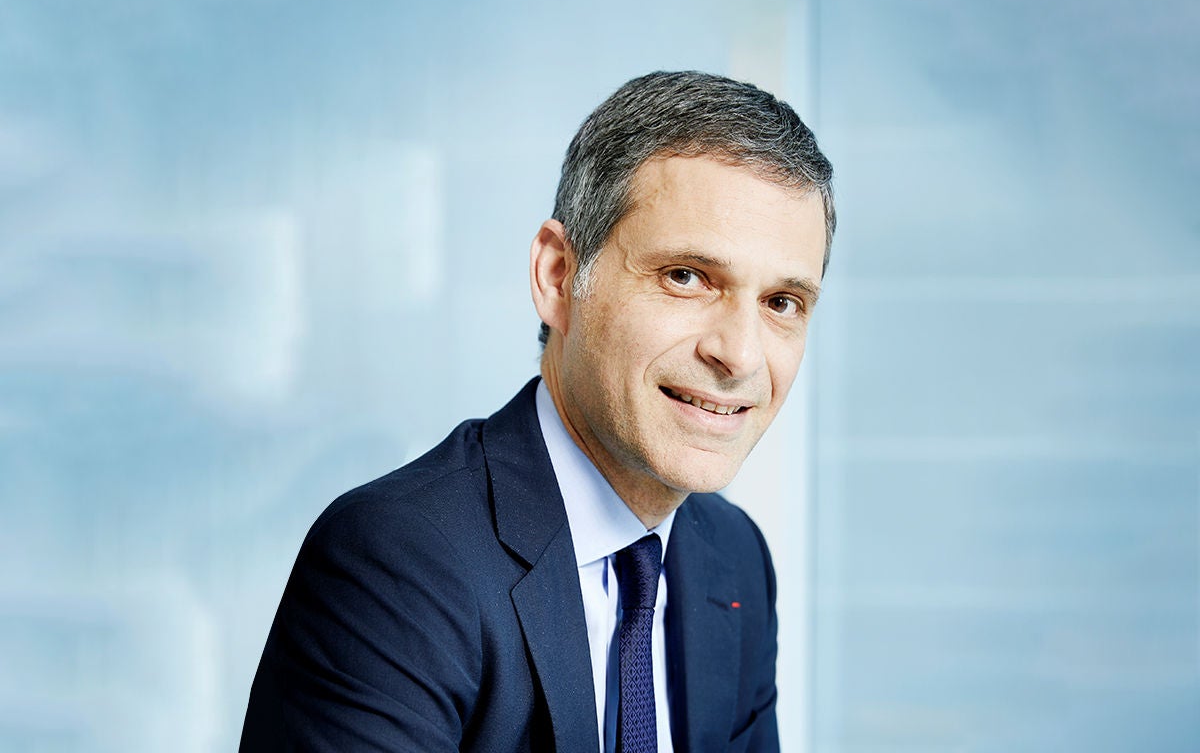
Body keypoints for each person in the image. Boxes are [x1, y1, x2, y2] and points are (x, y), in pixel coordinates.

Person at [241, 70, 835, 752]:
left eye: (782, 303)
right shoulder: (397, 563)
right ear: (557, 276)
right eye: (686, 277)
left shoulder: (732, 559)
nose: (740, 355)